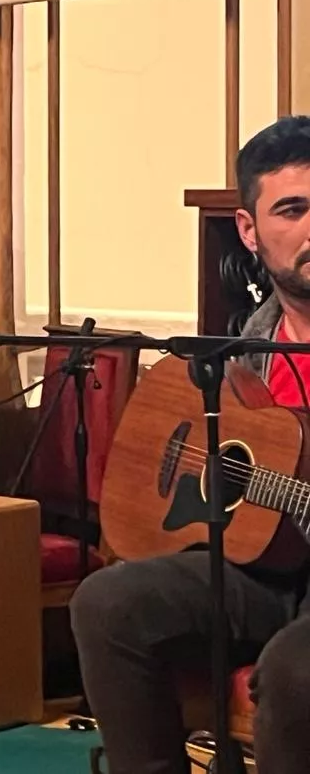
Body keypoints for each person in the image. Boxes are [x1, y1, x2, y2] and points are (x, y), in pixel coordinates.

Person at [70, 116, 310, 774]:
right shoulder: (241, 353)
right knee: (107, 602)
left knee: (294, 670)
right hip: (263, 570)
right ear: (250, 230)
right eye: (292, 209)